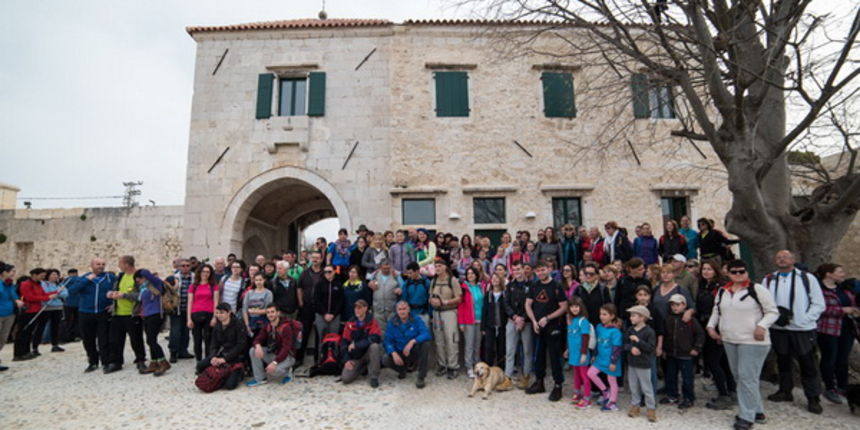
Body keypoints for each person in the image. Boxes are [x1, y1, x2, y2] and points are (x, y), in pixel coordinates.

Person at [707, 259, 779, 430]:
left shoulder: (757, 289)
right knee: (741, 377)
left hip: (753, 341)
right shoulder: (723, 291)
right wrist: (711, 326)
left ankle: (746, 416)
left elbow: (772, 311)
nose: (738, 275)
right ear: (728, 273)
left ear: (747, 271)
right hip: (730, 339)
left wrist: (761, 326)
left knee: (747, 377)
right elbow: (716, 311)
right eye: (734, 272)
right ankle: (758, 411)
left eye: (741, 271)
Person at [763, 250, 825, 414]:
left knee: (808, 363)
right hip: (779, 328)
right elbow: (764, 301)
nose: (781, 259)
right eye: (778, 257)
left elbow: (818, 303)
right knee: (783, 361)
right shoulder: (769, 279)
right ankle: (785, 390)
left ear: (793, 259)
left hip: (802, 330)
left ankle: (813, 397)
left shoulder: (806, 278)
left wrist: (803, 319)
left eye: (785, 257)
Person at [696, 259, 736, 410]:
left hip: (718, 327)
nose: (706, 271)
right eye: (704, 269)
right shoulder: (703, 285)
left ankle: (724, 393)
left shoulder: (722, 287)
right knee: (722, 361)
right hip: (705, 326)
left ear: (716, 271)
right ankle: (731, 389)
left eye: (709, 269)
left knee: (714, 362)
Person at [525, 262, 568, 401]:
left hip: (553, 326)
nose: (541, 273)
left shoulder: (556, 286)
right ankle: (539, 382)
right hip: (538, 326)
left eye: (543, 270)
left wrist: (548, 318)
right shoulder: (535, 286)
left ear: (548, 270)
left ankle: (557, 385)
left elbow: (563, 307)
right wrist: (533, 321)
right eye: (538, 270)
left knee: (554, 357)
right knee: (539, 355)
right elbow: (528, 304)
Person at [815, 263, 857, 405]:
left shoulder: (844, 288)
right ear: (829, 274)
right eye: (839, 271)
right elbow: (820, 308)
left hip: (847, 328)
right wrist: (842, 311)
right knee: (829, 358)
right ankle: (829, 387)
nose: (843, 274)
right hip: (828, 329)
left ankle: (842, 386)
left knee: (843, 358)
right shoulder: (819, 290)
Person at [66, 259, 115, 372]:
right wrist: (86, 281)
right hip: (85, 312)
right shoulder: (83, 278)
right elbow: (71, 291)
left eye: (103, 264)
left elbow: (118, 290)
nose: (101, 266)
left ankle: (105, 362)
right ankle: (93, 361)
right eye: (98, 264)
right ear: (92, 265)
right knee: (88, 339)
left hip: (103, 312)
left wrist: (113, 304)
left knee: (104, 339)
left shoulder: (109, 278)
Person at [661, 294, 704, 409]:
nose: (675, 307)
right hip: (671, 353)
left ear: (684, 305)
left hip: (686, 354)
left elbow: (700, 334)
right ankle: (672, 395)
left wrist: (696, 348)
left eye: (678, 305)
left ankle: (688, 398)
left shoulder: (690, 320)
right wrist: (665, 349)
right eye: (672, 305)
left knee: (687, 378)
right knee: (670, 376)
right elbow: (666, 335)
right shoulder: (668, 319)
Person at [106, 256, 147, 374]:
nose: (118, 265)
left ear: (126, 264)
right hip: (117, 313)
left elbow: (141, 295)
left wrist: (124, 295)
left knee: (136, 339)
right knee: (115, 340)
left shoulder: (138, 278)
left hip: (132, 314)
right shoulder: (120, 277)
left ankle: (140, 360)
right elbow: (116, 290)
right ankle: (116, 362)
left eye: (120, 263)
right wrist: (111, 294)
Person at [196, 302, 247, 388]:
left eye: (222, 313)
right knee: (200, 365)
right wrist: (213, 357)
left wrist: (225, 359)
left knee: (230, 386)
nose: (219, 315)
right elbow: (213, 344)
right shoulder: (217, 326)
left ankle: (238, 373)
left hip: (235, 357)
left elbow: (240, 345)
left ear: (229, 312)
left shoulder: (238, 324)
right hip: (222, 354)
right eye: (217, 313)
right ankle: (221, 374)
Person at [383, 301, 432, 388]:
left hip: (412, 351)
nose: (402, 312)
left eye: (404, 309)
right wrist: (393, 353)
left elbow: (426, 334)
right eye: (400, 309)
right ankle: (402, 370)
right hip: (399, 352)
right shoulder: (392, 322)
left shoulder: (416, 319)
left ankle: (421, 377)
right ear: (397, 311)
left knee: (425, 344)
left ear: (409, 309)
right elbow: (387, 341)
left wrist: (413, 341)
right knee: (385, 359)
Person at [246, 305, 297, 387]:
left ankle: (288, 372)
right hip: (274, 353)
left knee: (274, 372)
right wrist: (257, 345)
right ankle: (260, 379)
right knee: (253, 350)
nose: (270, 314)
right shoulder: (268, 326)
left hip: (288, 356)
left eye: (272, 312)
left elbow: (286, 348)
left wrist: (274, 362)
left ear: (278, 313)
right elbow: (258, 339)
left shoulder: (286, 327)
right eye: (268, 312)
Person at [624, 305, 658, 422]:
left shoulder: (649, 332)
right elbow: (625, 344)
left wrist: (638, 341)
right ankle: (635, 406)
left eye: (633, 315)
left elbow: (650, 348)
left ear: (642, 317)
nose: (631, 318)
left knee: (646, 387)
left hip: (644, 364)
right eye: (630, 315)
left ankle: (651, 409)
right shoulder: (630, 330)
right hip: (632, 363)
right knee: (633, 386)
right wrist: (630, 348)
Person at [587, 304, 623, 411]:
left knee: (612, 380)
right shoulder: (599, 327)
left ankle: (612, 402)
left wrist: (613, 362)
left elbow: (617, 348)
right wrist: (594, 355)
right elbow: (597, 343)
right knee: (590, 373)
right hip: (600, 359)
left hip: (611, 361)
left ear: (612, 316)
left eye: (605, 314)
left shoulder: (615, 331)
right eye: (600, 314)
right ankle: (605, 391)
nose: (601, 316)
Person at [339, 299, 383, 387]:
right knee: (345, 379)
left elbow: (376, 337)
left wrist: (357, 344)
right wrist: (347, 360)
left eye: (359, 308)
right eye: (355, 308)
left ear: (365, 308)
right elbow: (344, 342)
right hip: (356, 356)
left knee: (375, 346)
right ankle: (362, 367)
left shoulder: (372, 321)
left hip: (368, 353)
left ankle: (374, 376)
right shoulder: (350, 323)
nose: (357, 310)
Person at [504, 261, 534, 389]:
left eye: (519, 269)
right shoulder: (510, 286)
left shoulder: (531, 285)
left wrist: (523, 318)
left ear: (524, 270)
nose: (517, 272)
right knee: (510, 351)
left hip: (526, 322)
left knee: (527, 351)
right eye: (514, 270)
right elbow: (506, 304)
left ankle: (526, 376)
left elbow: (532, 304)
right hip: (512, 321)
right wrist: (515, 317)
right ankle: (507, 378)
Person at [135, 269, 170, 376]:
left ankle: (163, 362)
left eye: (139, 279)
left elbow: (145, 272)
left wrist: (141, 271)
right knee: (150, 340)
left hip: (156, 314)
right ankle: (154, 363)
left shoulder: (156, 284)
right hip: (147, 315)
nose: (138, 282)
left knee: (151, 340)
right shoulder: (143, 289)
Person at [430, 261, 461, 378]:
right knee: (439, 340)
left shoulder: (452, 280)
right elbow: (430, 296)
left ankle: (453, 366)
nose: (437, 268)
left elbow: (459, 298)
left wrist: (445, 302)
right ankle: (442, 364)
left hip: (449, 312)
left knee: (451, 339)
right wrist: (432, 301)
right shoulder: (433, 281)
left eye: (440, 266)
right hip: (437, 313)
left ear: (445, 267)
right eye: (436, 266)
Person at [187, 264, 220, 362]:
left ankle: (207, 362)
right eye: (203, 271)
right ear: (199, 272)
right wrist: (188, 319)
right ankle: (199, 362)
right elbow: (190, 302)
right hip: (195, 314)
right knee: (197, 341)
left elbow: (216, 302)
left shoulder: (214, 286)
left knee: (208, 340)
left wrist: (215, 317)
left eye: (207, 272)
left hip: (209, 314)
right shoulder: (193, 286)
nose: (205, 274)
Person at [565, 296, 593, 408]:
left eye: (576, 306)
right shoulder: (571, 321)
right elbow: (570, 337)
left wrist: (584, 353)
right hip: (573, 353)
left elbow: (585, 338)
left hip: (581, 354)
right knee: (576, 374)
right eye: (572, 307)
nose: (574, 309)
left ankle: (587, 397)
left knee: (584, 376)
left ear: (581, 307)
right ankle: (577, 392)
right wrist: (567, 349)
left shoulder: (583, 321)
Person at [297, 251, 324, 365]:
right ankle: (299, 358)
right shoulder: (305, 273)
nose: (315, 260)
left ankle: (318, 359)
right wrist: (301, 302)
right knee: (305, 332)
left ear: (321, 259)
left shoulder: (324, 273)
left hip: (319, 307)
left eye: (317, 258)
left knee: (319, 333)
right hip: (307, 306)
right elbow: (299, 288)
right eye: (313, 258)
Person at [456, 266, 484, 378]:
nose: (470, 275)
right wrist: (461, 323)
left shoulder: (480, 286)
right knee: (469, 345)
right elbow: (461, 307)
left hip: (480, 319)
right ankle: (469, 367)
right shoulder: (464, 288)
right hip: (468, 320)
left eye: (472, 273)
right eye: (468, 274)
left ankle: (477, 365)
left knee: (478, 344)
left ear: (476, 275)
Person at [166, 259, 193, 363]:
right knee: (175, 332)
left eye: (187, 265)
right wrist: (174, 287)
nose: (185, 267)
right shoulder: (173, 278)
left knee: (186, 331)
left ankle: (183, 351)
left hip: (189, 310)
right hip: (176, 309)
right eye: (183, 266)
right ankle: (173, 352)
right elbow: (165, 290)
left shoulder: (195, 277)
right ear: (179, 267)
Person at [35, 269, 68, 353]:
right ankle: (35, 346)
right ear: (48, 275)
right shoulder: (44, 284)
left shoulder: (59, 284)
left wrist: (56, 294)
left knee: (55, 327)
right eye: (53, 274)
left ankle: (55, 345)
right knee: (41, 327)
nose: (55, 276)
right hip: (46, 307)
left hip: (57, 307)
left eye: (57, 274)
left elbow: (65, 294)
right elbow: (46, 293)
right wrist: (57, 293)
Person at [0, 262, 23, 371]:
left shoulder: (9, 284)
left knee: (3, 339)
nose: (14, 273)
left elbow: (13, 295)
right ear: (4, 272)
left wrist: (17, 300)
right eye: (12, 271)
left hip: (9, 314)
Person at [573, 262, 612, 327]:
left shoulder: (603, 289)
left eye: (591, 274)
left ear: (597, 275)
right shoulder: (579, 289)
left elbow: (608, 307)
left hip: (599, 325)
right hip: (582, 325)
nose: (588, 276)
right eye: (586, 273)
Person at [481, 272, 507, 369]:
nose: (495, 280)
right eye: (493, 278)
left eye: (497, 278)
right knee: (489, 348)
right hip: (489, 326)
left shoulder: (505, 294)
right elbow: (485, 311)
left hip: (502, 326)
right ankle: (489, 369)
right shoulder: (488, 294)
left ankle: (501, 369)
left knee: (501, 349)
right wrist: (483, 327)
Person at [368, 259, 399, 336]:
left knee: (392, 331)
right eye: (384, 268)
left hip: (391, 309)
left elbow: (402, 285)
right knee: (380, 332)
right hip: (378, 309)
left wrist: (399, 289)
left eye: (388, 268)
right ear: (380, 267)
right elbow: (368, 283)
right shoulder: (375, 274)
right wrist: (370, 284)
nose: (386, 270)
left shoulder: (396, 274)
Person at [314, 265, 343, 340]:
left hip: (335, 316)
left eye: (329, 272)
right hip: (321, 315)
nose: (327, 273)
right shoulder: (319, 284)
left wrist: (334, 314)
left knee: (334, 339)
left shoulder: (338, 284)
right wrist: (324, 313)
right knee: (322, 339)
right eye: (325, 272)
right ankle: (321, 352)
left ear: (334, 272)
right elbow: (316, 300)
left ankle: (334, 352)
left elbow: (341, 300)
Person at [242, 273, 274, 338]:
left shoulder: (268, 293)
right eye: (256, 280)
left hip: (262, 321)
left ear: (264, 280)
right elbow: (244, 309)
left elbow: (267, 310)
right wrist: (247, 324)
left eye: (260, 280)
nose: (258, 282)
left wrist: (253, 311)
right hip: (250, 320)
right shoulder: (249, 293)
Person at [60, 268, 80, 343]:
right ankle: (77, 335)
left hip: (68, 303)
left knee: (68, 320)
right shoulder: (80, 280)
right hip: (78, 303)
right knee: (77, 320)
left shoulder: (65, 281)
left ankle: (67, 336)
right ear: (76, 273)